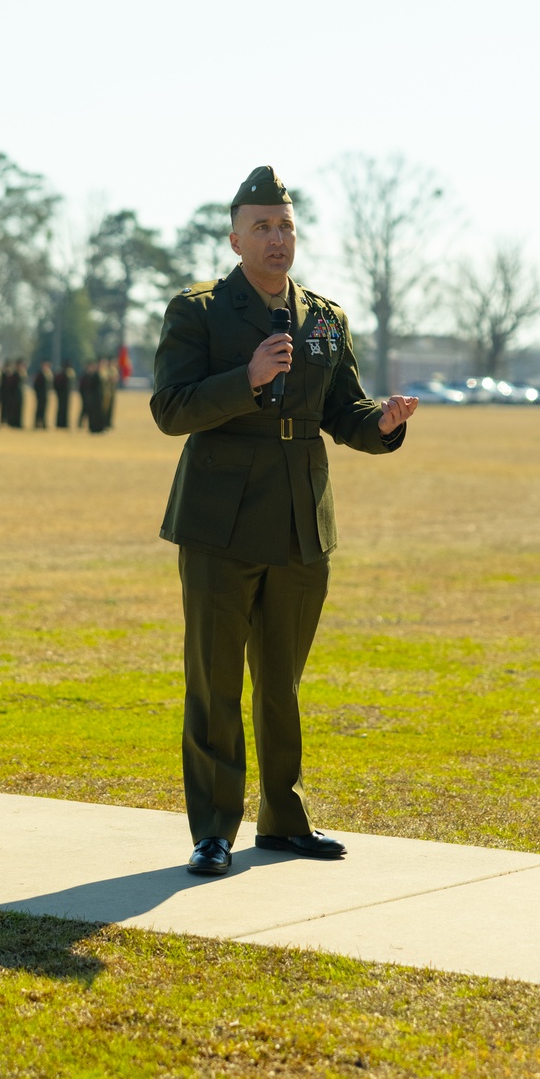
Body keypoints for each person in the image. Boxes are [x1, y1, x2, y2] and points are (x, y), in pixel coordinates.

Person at [150, 165, 417, 877]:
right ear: (235, 236)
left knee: (281, 681)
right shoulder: (200, 312)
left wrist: (383, 424)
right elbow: (170, 408)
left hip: (301, 524)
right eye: (262, 226)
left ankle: (284, 819)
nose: (276, 237)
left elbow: (343, 413)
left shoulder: (325, 318)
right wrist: (248, 379)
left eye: (286, 225)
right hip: (219, 523)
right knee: (213, 679)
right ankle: (213, 829)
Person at [53, 362, 75, 428]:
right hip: (62, 394)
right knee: (62, 409)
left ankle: (64, 423)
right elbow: (56, 384)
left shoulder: (66, 374)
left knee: (65, 409)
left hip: (65, 394)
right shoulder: (62, 375)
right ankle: (60, 423)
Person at [33, 360, 53, 429]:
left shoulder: (48, 374)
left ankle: (44, 423)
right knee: (39, 409)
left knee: (45, 409)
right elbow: (36, 385)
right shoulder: (40, 374)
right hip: (40, 395)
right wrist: (38, 394)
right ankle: (36, 423)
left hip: (46, 394)